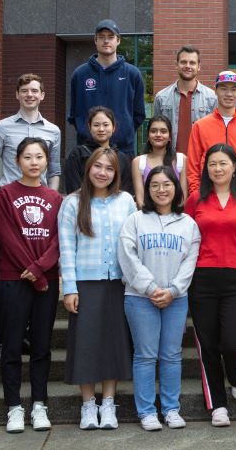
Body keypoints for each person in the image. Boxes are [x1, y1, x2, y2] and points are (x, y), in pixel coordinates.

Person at [0, 73, 61, 366]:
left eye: (35, 91)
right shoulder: (2, 127)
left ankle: (29, 336)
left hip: (40, 213)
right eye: (24, 90)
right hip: (9, 211)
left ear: (42, 95)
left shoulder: (52, 131)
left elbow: (55, 169)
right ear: (17, 94)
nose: (30, 95)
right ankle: (1, 343)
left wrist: (52, 203)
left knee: (38, 273)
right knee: (8, 278)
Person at [58, 148, 137, 430]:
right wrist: (69, 287)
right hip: (85, 284)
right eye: (98, 167)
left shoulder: (125, 201)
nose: (103, 173)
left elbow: (132, 243)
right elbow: (66, 248)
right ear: (88, 168)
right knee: (86, 344)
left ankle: (108, 403)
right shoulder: (73, 203)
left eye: (109, 169)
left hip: (118, 282)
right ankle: (88, 406)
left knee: (114, 343)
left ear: (117, 174)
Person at [118, 166, 200, 431]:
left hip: (176, 299)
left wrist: (173, 290)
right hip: (140, 298)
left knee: (171, 355)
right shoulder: (136, 220)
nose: (161, 190)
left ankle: (171, 409)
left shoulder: (188, 224)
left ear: (176, 188)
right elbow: (127, 257)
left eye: (166, 184)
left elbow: (190, 263)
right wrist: (151, 287)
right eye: (154, 185)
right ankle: (146, 411)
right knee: (145, 355)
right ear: (147, 189)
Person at [184, 144, 236, 427]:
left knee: (230, 342)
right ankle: (217, 405)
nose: (218, 169)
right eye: (212, 164)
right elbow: (186, 238)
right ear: (206, 169)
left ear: (234, 167)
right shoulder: (196, 199)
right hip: (201, 278)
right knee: (208, 345)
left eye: (223, 163)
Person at [0, 138, 63, 433]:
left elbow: (60, 241)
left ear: (47, 161)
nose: (34, 162)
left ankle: (39, 404)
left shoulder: (55, 197)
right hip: (14, 279)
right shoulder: (6, 193)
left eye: (39, 157)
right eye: (28, 157)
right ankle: (13, 407)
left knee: (41, 346)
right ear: (17, 160)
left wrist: (39, 269)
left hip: (45, 280)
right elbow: (8, 237)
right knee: (10, 346)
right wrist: (33, 271)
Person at [68, 19, 145, 156]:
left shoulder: (132, 74)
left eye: (110, 37)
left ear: (118, 40)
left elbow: (138, 115)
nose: (106, 41)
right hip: (87, 151)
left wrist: (122, 133)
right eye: (101, 37)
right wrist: (87, 134)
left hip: (123, 151)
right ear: (95, 40)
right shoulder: (80, 74)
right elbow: (75, 115)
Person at [186, 71, 236, 193]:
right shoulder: (200, 126)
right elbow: (192, 165)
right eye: (223, 89)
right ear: (215, 91)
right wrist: (196, 193)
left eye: (234, 89)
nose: (229, 94)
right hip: (208, 193)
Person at [152, 45, 218, 155]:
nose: (188, 66)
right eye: (183, 62)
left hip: (200, 160)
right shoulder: (161, 97)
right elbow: (155, 131)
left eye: (192, 63)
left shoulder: (211, 98)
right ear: (176, 65)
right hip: (169, 161)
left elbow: (215, 132)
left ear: (199, 66)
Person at [64, 106, 133, 194]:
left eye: (106, 125)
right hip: (83, 205)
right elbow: (73, 187)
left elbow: (126, 191)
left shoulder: (122, 158)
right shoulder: (78, 154)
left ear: (113, 127)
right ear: (89, 127)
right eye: (96, 125)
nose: (101, 129)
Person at [131, 115, 189, 208]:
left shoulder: (181, 160)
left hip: (175, 216)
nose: (158, 135)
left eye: (163, 131)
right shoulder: (138, 162)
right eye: (153, 131)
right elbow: (140, 200)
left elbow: (183, 199)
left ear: (170, 136)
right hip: (148, 217)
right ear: (148, 136)